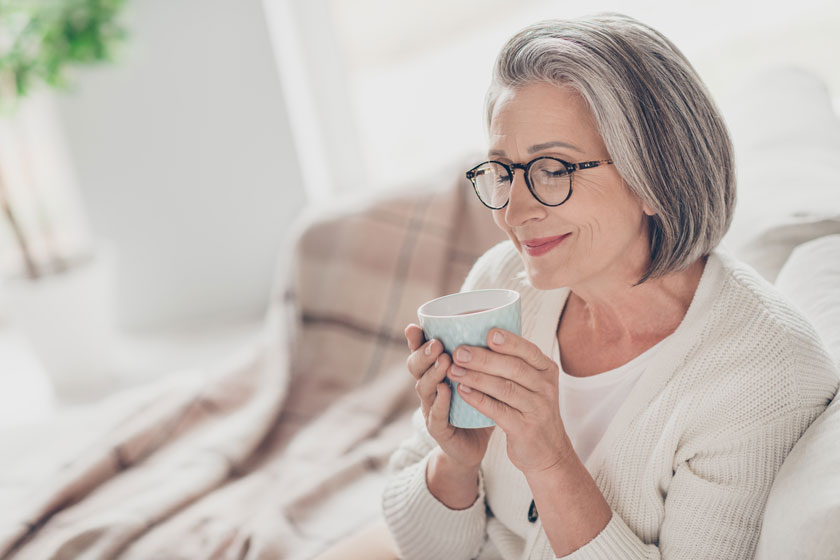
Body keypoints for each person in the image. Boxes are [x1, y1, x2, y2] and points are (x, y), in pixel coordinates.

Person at [315, 12, 838, 560]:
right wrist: (456, 461)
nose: (514, 212)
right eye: (502, 171)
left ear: (655, 177)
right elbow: (424, 547)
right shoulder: (502, 283)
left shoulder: (764, 378)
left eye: (553, 170)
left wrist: (549, 459)